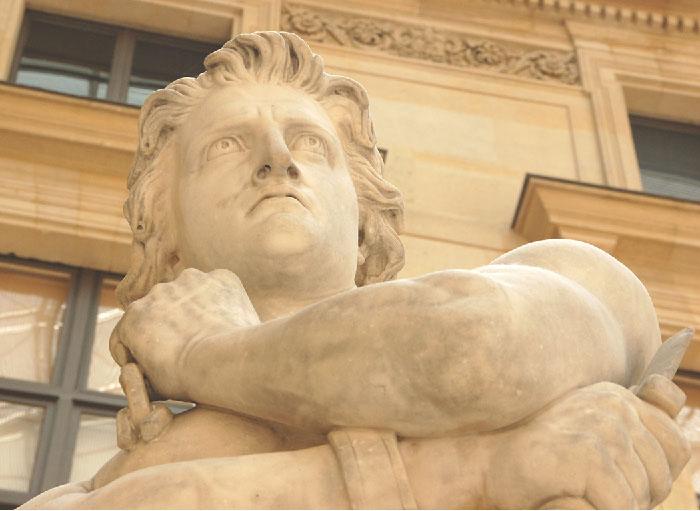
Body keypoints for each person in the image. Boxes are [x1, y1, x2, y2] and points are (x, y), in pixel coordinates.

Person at [21, 31, 690, 509]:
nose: (278, 160)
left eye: (311, 142)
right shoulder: (81, 495)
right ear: (166, 240)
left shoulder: (562, 278)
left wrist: (202, 354)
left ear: (367, 212)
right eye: (227, 146)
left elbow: (471, 348)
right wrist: (476, 467)